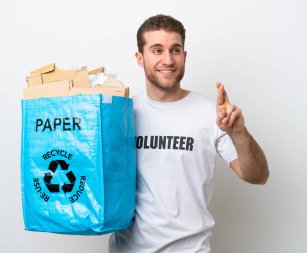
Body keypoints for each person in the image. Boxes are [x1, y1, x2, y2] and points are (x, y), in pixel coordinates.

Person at [109, 14, 269, 253]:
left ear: (184, 56)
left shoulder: (211, 114)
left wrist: (239, 132)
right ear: (140, 58)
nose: (168, 59)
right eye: (157, 50)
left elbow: (258, 176)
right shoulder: (120, 115)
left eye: (175, 50)